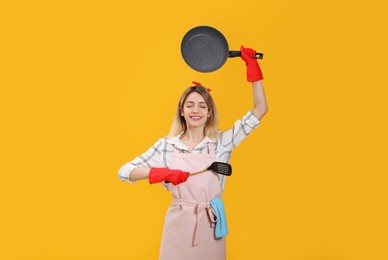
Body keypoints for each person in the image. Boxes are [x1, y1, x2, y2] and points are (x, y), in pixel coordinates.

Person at [118, 46, 268, 260]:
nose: (195, 111)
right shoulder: (166, 146)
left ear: (209, 113)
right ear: (182, 111)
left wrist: (253, 68)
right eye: (189, 105)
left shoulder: (221, 144)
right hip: (177, 227)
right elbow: (124, 171)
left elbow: (260, 110)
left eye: (202, 106)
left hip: (210, 224)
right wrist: (158, 173)